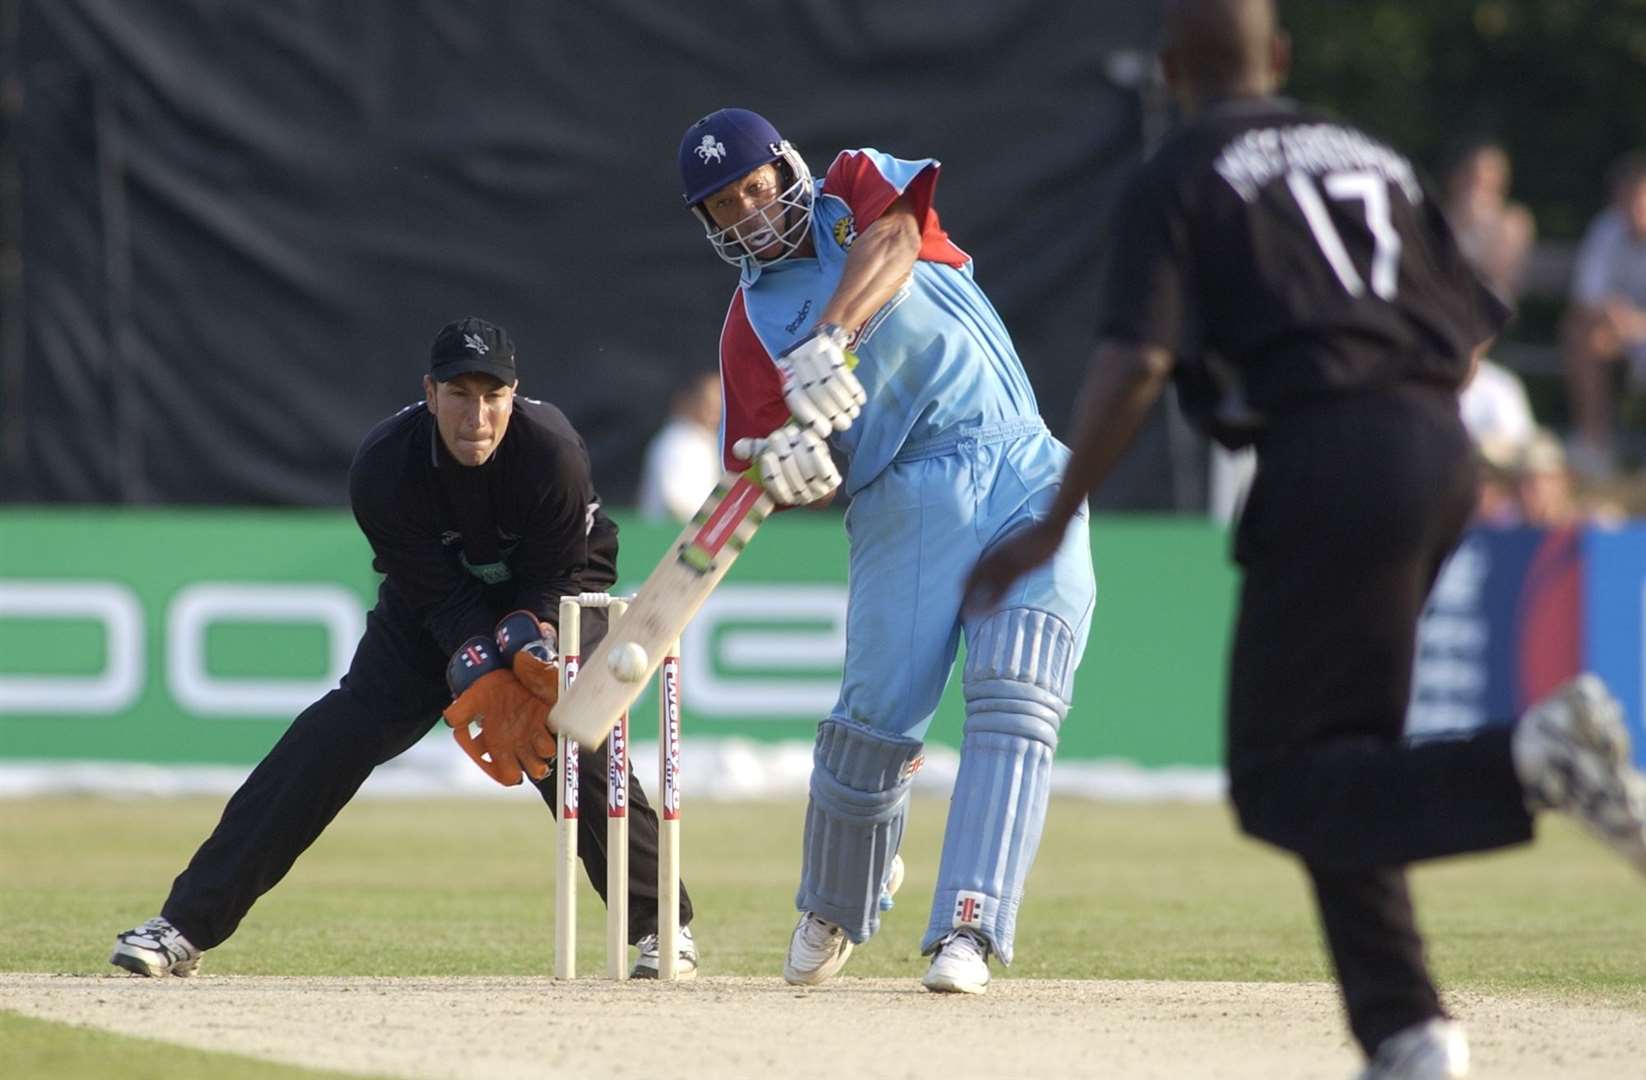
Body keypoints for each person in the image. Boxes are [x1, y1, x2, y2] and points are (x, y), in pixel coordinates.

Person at [966, 2, 1646, 1075]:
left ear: (1167, 70)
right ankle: (1405, 1030)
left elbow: (1136, 363)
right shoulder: (1366, 152)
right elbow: (1469, 331)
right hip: (1439, 448)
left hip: (1330, 456)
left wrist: (1047, 520)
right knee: (1341, 765)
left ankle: (1529, 759)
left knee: (1279, 783)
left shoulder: (1178, 170)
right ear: (1278, 58)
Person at [111, 316, 697, 980]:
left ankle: (663, 929)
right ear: (429, 392)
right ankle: (185, 926)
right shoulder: (385, 466)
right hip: (431, 610)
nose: (476, 416)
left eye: (491, 396)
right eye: (458, 395)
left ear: (514, 395)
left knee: (574, 738)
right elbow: (437, 596)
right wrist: (480, 663)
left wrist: (527, 646)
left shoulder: (552, 452)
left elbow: (561, 573)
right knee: (334, 737)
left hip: (552, 600)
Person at [677, 107, 1096, 994]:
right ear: (709, 226)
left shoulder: (857, 185)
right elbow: (782, 470)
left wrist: (832, 336)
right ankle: (836, 901)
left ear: (786, 167)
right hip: (902, 498)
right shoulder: (748, 327)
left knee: (1019, 690)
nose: (751, 211)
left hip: (1018, 457)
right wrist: (793, 473)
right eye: (726, 207)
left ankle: (970, 930)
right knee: (874, 729)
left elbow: (901, 239)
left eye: (755, 185)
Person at [1562, 152, 1646, 477]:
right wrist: (1616, 317)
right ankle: (1595, 446)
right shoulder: (1606, 229)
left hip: (1634, 331)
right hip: (1618, 335)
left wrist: (1630, 323)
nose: (1633, 209)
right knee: (1581, 336)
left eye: (1639, 198)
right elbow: (1587, 298)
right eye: (1626, 199)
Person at [1441, 140, 1535, 303]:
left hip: (1488, 308)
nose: (1478, 179)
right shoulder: (1443, 215)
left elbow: (1501, 271)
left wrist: (1479, 223)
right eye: (1471, 174)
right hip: (1444, 303)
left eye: (1488, 173)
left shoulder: (1513, 220)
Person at [637, 369, 724, 523]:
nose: (715, 410)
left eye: (719, 402)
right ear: (688, 401)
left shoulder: (707, 441)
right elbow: (676, 503)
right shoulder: (677, 440)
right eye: (708, 402)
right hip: (670, 540)